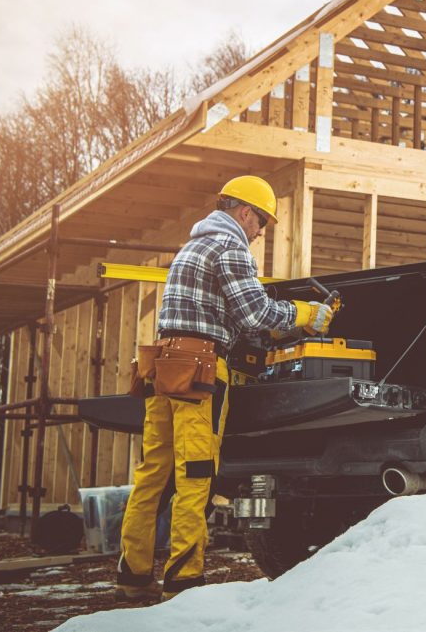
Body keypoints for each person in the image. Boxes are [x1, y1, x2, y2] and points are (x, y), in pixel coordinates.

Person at [115, 175, 330, 601]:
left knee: (153, 474)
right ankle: (184, 582)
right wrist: (305, 314)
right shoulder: (230, 246)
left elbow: (219, 314)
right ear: (245, 212)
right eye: (262, 223)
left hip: (162, 367)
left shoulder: (192, 246)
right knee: (196, 474)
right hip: (198, 371)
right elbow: (254, 314)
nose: (259, 233)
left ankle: (133, 577)